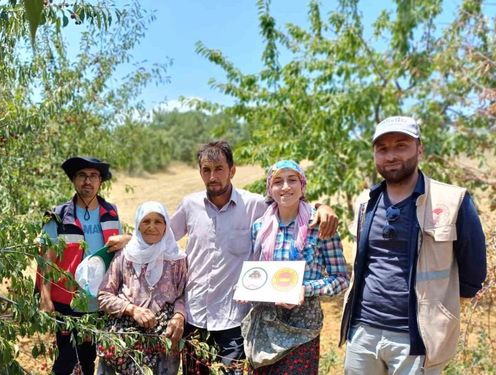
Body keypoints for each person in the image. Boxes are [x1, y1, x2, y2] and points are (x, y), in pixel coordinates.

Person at [170, 141, 339, 374]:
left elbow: (290, 200)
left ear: (232, 170)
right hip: (195, 316)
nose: (212, 176)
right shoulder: (190, 205)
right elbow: (162, 237)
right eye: (206, 170)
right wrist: (132, 239)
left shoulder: (254, 206)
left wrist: (323, 206)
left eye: (219, 168)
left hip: (234, 321)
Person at [339, 116, 487, 374]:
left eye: (401, 145)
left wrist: (440, 311)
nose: (391, 155)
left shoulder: (453, 201)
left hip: (418, 337)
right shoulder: (366, 202)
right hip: (363, 332)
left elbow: (473, 273)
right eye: (382, 149)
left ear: (420, 148)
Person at [244, 160, 350, 374]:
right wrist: (251, 288)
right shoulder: (259, 227)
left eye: (292, 180)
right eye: (277, 181)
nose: (285, 187)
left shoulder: (320, 225)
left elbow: (341, 279)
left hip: (303, 329)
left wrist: (305, 289)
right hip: (266, 325)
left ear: (302, 186)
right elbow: (260, 274)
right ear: (269, 189)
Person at [36, 156, 130, 375]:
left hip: (101, 300)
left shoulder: (111, 212)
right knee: (67, 361)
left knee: (89, 358)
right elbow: (47, 255)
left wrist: (126, 239)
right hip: (67, 300)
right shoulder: (58, 215)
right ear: (74, 180)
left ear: (100, 181)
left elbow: (119, 251)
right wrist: (45, 294)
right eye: (82, 176)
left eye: (93, 176)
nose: (88, 181)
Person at [98, 201, 188, 375]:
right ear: (138, 225)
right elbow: (104, 295)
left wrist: (178, 316)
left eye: (158, 221)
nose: (152, 227)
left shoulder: (177, 259)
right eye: (146, 221)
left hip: (164, 339)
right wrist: (131, 310)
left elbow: (184, 294)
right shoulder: (125, 256)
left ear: (166, 226)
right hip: (123, 338)